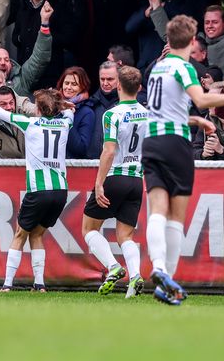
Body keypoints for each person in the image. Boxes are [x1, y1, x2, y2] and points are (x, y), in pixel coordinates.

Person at [141, 10, 224, 305]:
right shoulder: (184, 68)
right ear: (193, 41)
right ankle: (165, 279)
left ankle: (158, 268)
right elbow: (202, 99)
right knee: (176, 215)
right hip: (175, 145)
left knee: (157, 208)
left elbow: (168, 109)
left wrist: (196, 122)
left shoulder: (157, 69)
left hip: (152, 141)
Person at [0, 89, 74, 292]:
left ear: (38, 109)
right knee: (37, 234)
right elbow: (70, 113)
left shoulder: (30, 124)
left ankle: (7, 284)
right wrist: (67, 107)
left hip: (38, 190)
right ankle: (39, 284)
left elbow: (4, 115)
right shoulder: (65, 123)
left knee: (20, 234)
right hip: (60, 191)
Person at [82, 66, 148, 298]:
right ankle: (136, 275)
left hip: (116, 176)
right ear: (139, 88)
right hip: (136, 180)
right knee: (125, 235)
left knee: (89, 228)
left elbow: (109, 151)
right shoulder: (147, 113)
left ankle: (113, 267)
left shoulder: (112, 114)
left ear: (119, 86)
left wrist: (99, 183)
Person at [57, 67, 93, 159]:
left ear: (82, 87)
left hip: (73, 167)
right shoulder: (53, 107)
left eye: (74, 84)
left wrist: (68, 118)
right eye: (66, 83)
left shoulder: (87, 112)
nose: (68, 87)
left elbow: (81, 149)